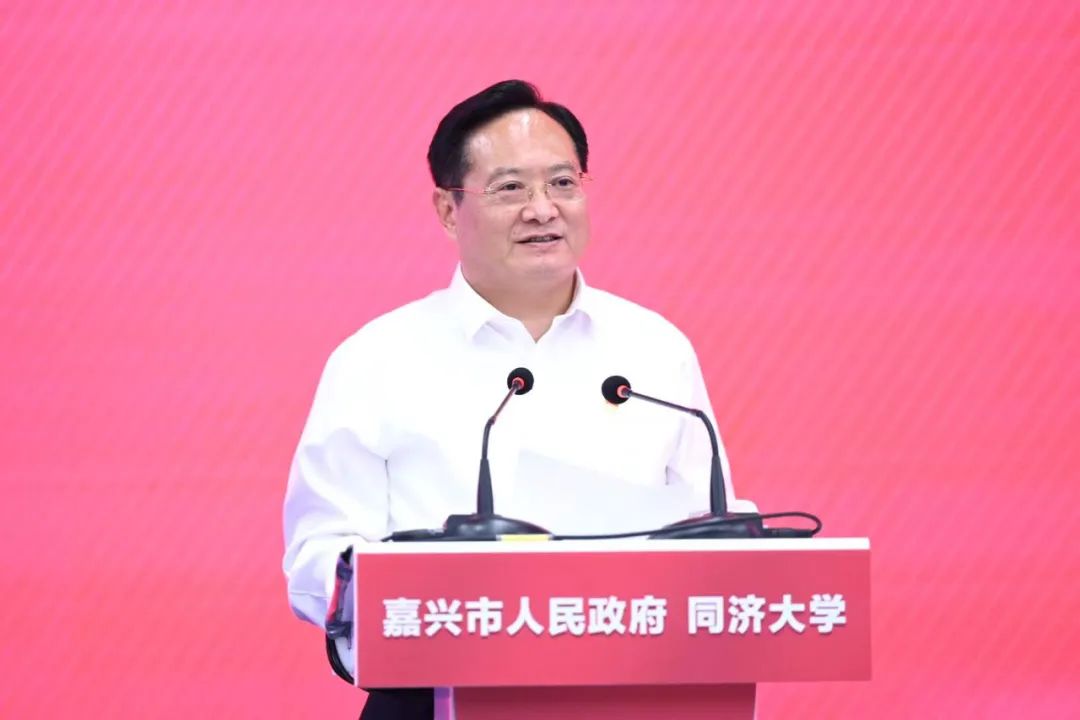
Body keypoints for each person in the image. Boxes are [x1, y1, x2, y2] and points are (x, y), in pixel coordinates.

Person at [282, 79, 752, 720]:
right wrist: (407, 591)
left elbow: (709, 526)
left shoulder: (654, 348)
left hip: (631, 694)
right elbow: (317, 554)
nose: (543, 209)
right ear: (449, 210)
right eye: (510, 189)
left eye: (563, 183)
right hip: (435, 696)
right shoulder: (376, 359)